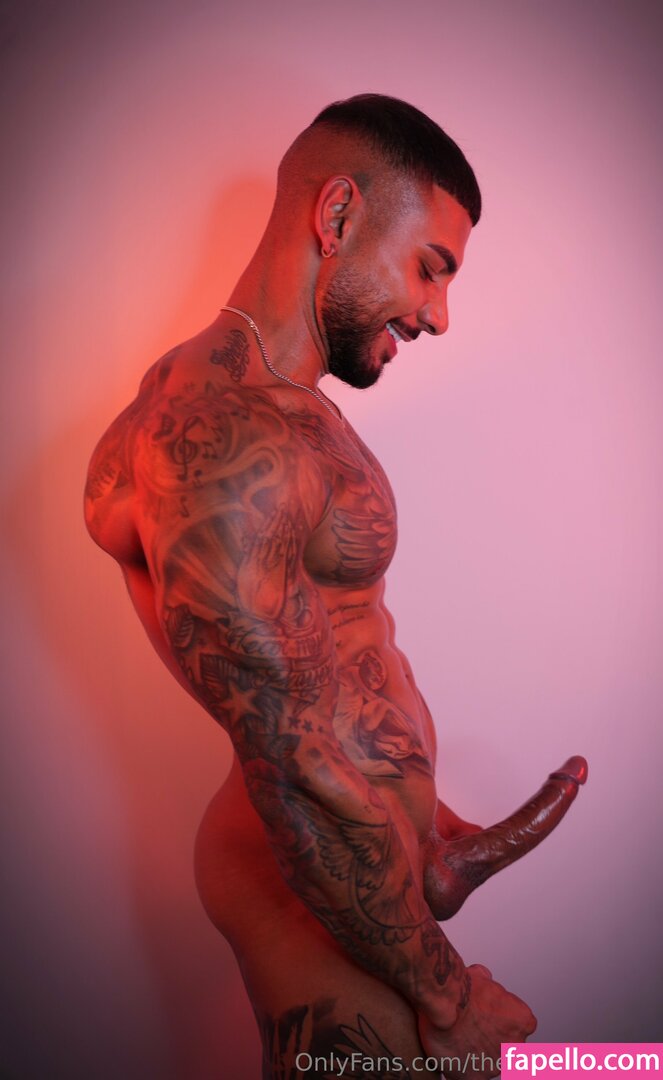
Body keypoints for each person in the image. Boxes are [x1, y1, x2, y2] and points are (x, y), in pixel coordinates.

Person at [84, 95, 587, 1079]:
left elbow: (317, 658)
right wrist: (447, 996)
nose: (438, 314)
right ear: (340, 214)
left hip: (367, 875)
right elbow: (288, 763)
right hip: (314, 887)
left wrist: (426, 824)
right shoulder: (227, 434)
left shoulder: (268, 402)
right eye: (431, 268)